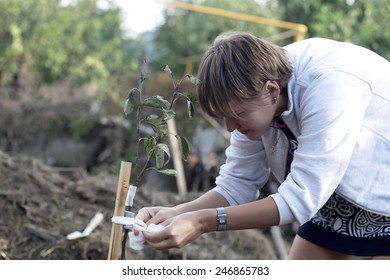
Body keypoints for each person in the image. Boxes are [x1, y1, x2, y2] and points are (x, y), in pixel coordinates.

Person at [135, 31, 390, 259]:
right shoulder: (255, 94)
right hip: (337, 209)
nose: (230, 128)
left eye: (236, 114)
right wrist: (177, 213)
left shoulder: (329, 86)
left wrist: (203, 222)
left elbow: (299, 199)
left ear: (271, 90)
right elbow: (237, 184)